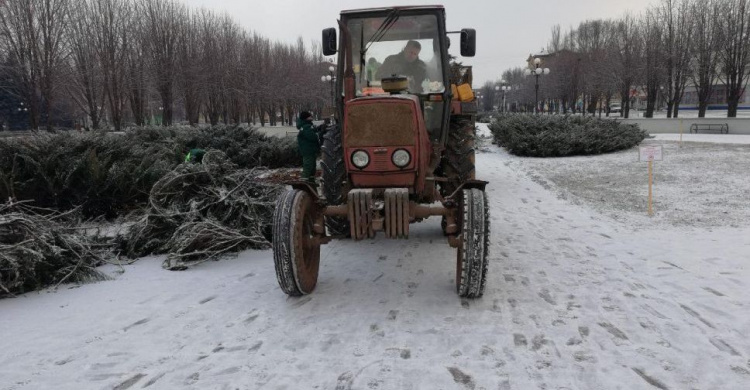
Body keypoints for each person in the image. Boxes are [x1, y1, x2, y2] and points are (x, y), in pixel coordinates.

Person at [296, 111, 320, 185]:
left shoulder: (307, 126)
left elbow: (313, 131)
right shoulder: (306, 127)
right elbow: (312, 136)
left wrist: (318, 129)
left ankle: (311, 181)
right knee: (308, 165)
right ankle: (304, 181)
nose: (311, 117)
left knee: (313, 166)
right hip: (308, 150)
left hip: (311, 150)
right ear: (306, 118)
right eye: (310, 116)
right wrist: (319, 134)